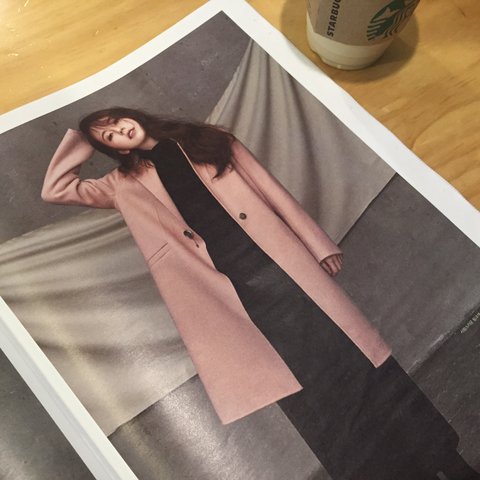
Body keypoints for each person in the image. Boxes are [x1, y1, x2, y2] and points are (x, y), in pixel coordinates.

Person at [42, 107, 479, 480]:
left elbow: (272, 193)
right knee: (310, 396)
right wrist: (83, 134)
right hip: (237, 304)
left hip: (285, 273)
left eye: (116, 121)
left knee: (363, 366)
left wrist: (317, 244)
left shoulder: (206, 140)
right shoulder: (121, 184)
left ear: (132, 115)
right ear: (116, 150)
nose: (119, 131)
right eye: (109, 137)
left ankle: (447, 461)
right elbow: (56, 188)